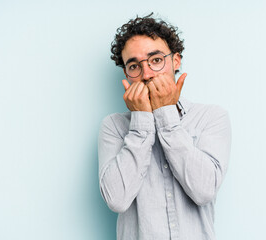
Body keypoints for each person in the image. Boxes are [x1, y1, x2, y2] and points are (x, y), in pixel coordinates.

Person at [98, 13, 231, 240]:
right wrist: (141, 120)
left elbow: (204, 191)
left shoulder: (211, 117)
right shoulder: (113, 126)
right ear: (126, 74)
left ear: (175, 61)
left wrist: (165, 115)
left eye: (156, 60)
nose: (147, 74)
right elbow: (117, 200)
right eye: (134, 66)